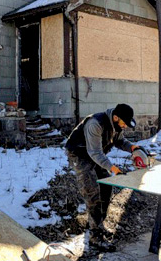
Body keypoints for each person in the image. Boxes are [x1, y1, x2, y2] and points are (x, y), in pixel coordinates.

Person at [64, 104, 152, 252]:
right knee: (92, 193)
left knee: (106, 185)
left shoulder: (115, 125)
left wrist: (132, 148)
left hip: (94, 155)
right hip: (79, 155)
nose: (124, 127)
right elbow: (95, 153)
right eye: (124, 123)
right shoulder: (95, 124)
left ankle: (97, 225)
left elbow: (120, 141)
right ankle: (95, 237)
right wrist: (112, 168)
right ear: (116, 117)